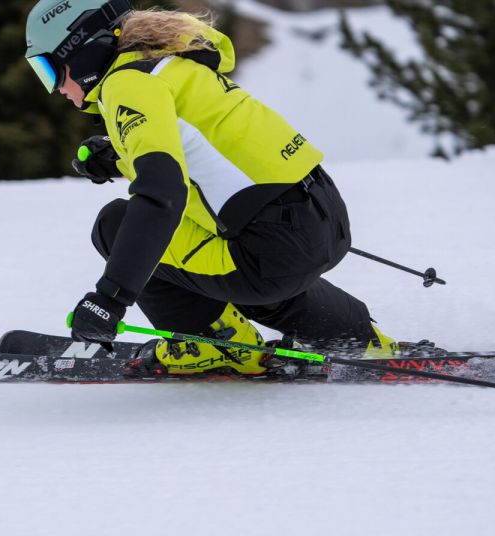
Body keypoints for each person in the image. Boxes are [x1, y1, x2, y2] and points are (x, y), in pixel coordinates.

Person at [23, 0, 399, 375]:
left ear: (83, 51)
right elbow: (205, 147)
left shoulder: (127, 84)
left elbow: (161, 196)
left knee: (116, 224)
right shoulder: (173, 65)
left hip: (270, 250)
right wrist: (119, 160)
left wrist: (109, 299)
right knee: (236, 264)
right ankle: (355, 337)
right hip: (322, 221)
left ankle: (219, 343)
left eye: (49, 70)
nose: (55, 88)